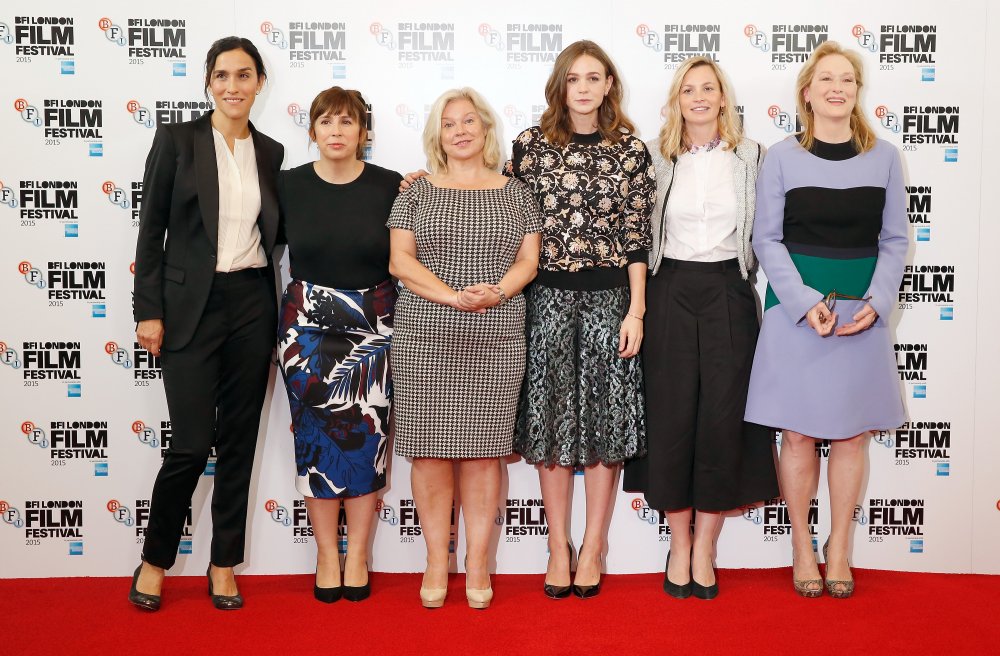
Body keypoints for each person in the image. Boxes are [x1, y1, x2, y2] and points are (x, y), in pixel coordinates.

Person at [745, 41, 908, 599]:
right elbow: (766, 239)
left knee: (853, 436)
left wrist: (879, 302)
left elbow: (894, 240)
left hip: (862, 312)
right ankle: (800, 546)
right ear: (807, 93)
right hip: (797, 313)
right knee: (797, 435)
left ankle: (839, 547)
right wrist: (802, 301)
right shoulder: (781, 156)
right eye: (826, 79)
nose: (837, 88)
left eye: (847, 80)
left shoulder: (885, 157)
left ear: (857, 93)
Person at [128, 36, 284, 611]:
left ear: (259, 83)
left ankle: (224, 564)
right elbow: (151, 232)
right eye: (221, 75)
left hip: (251, 304)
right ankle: (154, 560)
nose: (232, 86)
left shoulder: (270, 152)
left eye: (244, 75)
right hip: (189, 306)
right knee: (191, 445)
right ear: (207, 82)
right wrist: (148, 309)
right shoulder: (177, 140)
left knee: (239, 443)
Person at [622, 57, 779, 600]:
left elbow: (774, 228)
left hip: (729, 292)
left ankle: (706, 547)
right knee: (671, 418)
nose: (699, 97)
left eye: (708, 88)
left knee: (720, 418)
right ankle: (679, 542)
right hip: (668, 292)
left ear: (723, 97)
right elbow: (632, 229)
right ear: (676, 100)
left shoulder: (752, 158)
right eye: (688, 89)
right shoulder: (656, 158)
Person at [506, 40, 656, 599]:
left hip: (609, 298)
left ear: (610, 85)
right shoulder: (529, 147)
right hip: (543, 299)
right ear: (561, 85)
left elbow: (638, 239)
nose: (586, 87)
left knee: (603, 425)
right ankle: (555, 546)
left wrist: (636, 310)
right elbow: (494, 204)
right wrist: (425, 181)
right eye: (575, 78)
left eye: (595, 77)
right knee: (549, 423)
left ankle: (593, 545)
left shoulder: (631, 152)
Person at [387, 87, 543, 609]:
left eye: (469, 121)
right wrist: (453, 297)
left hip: (495, 336)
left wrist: (496, 292)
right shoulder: (416, 191)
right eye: (449, 122)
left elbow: (529, 261)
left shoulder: (516, 192)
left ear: (485, 129)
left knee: (482, 457)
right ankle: (436, 561)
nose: (460, 130)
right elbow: (400, 262)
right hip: (425, 335)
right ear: (438, 134)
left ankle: (478, 563)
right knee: (429, 455)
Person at [276, 87, 401, 603]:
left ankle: (358, 556)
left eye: (347, 122)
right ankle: (327, 554)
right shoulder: (287, 186)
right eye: (325, 121)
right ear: (312, 131)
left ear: (363, 132)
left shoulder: (391, 185)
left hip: (373, 325)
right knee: (315, 444)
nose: (336, 131)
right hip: (305, 327)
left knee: (367, 442)